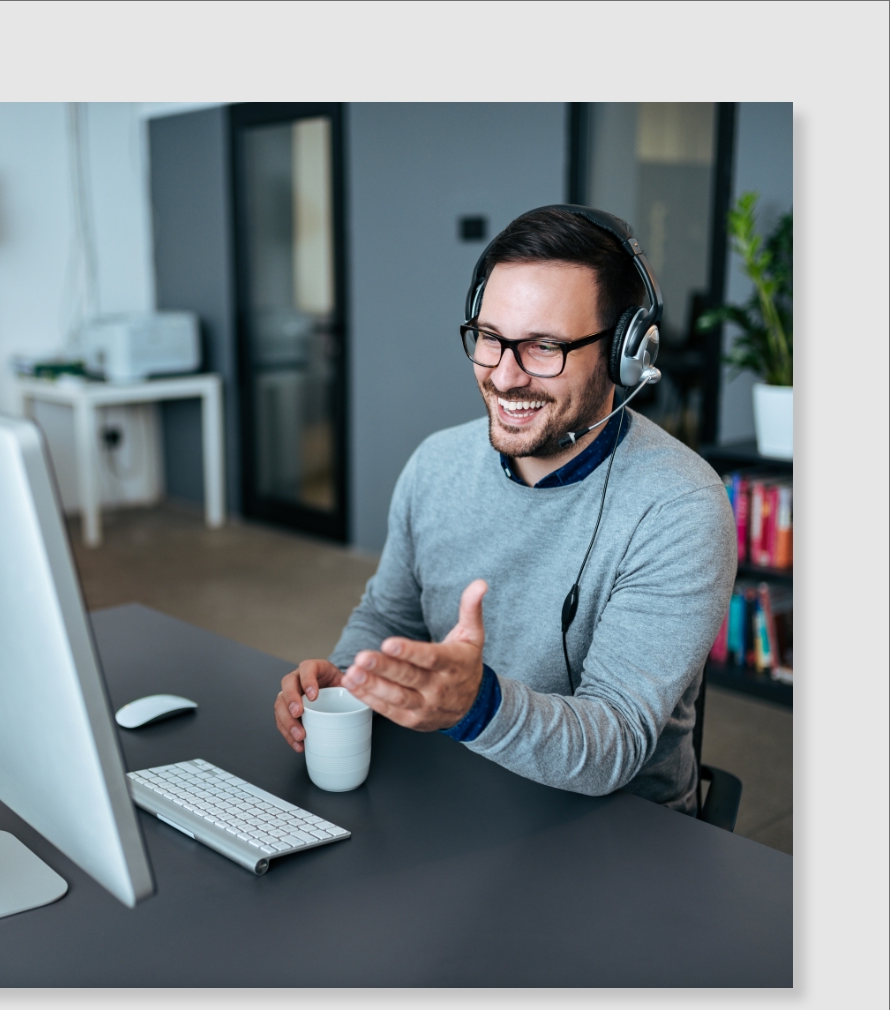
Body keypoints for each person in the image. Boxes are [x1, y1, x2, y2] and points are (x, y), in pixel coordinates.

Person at [273, 205, 737, 813]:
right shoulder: (435, 464)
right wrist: (344, 681)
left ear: (625, 354)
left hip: (617, 837)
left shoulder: (680, 508)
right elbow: (389, 615)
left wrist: (477, 705)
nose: (506, 376)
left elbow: (617, 742)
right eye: (490, 339)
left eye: (545, 345)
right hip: (453, 791)